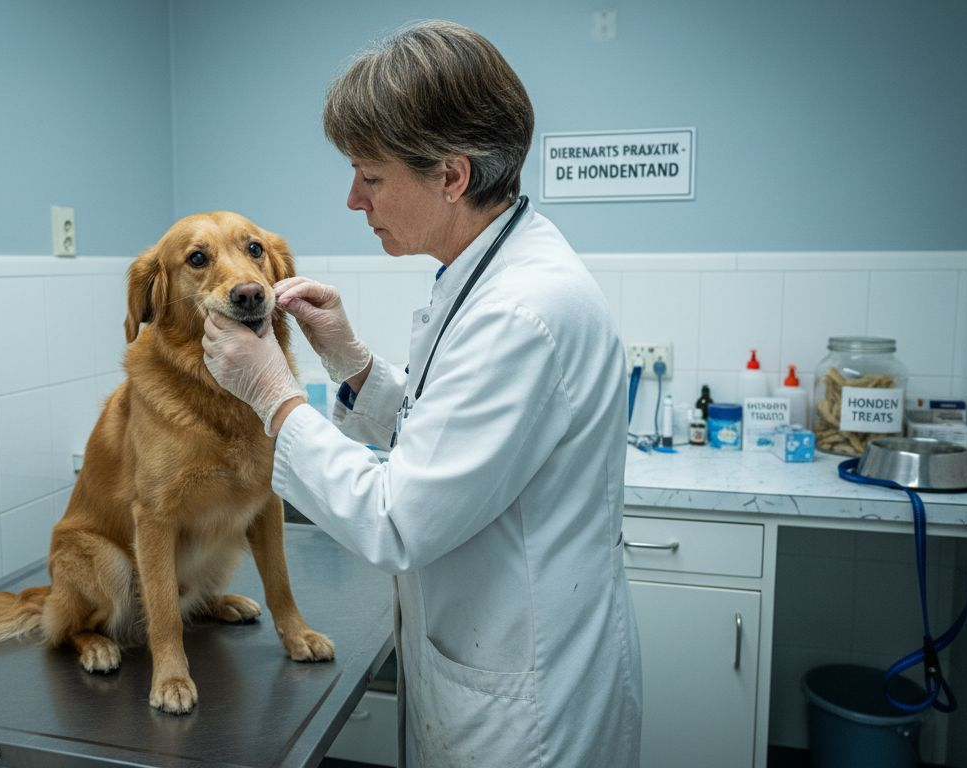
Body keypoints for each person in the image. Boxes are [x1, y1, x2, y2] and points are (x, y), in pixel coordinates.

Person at [202, 20, 641, 768]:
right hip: (485, 659)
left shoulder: (518, 312)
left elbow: (397, 520)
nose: (352, 199)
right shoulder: (487, 275)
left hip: (526, 715)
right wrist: (352, 365)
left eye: (370, 177)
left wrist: (275, 394)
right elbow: (448, 438)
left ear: (451, 177)